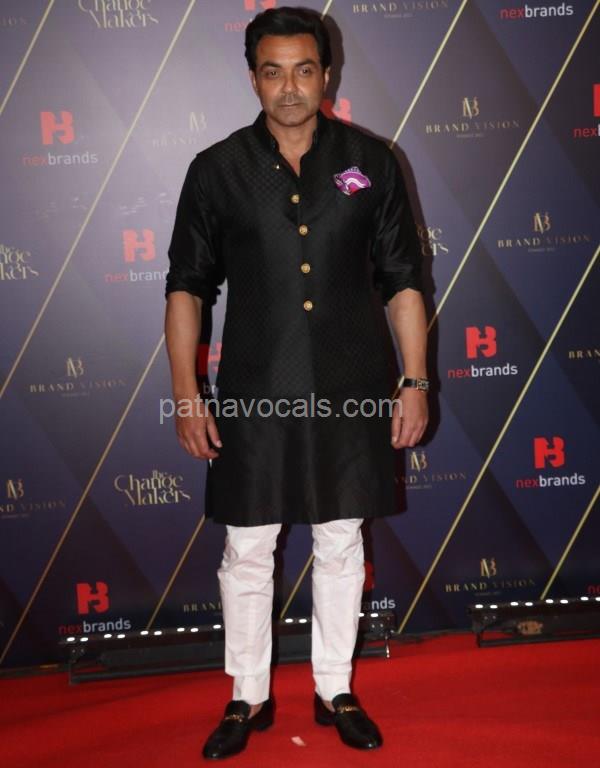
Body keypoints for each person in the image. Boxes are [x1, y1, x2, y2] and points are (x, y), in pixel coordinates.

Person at [164, 6, 428, 761]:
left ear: (326, 75)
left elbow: (403, 280)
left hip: (352, 384)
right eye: (273, 71)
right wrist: (187, 394)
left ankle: (334, 687)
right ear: (253, 78)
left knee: (342, 541)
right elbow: (187, 288)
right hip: (254, 388)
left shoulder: (371, 161)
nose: (289, 87)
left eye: (304, 70)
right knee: (248, 547)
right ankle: (246, 695)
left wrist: (414, 380)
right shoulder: (216, 169)